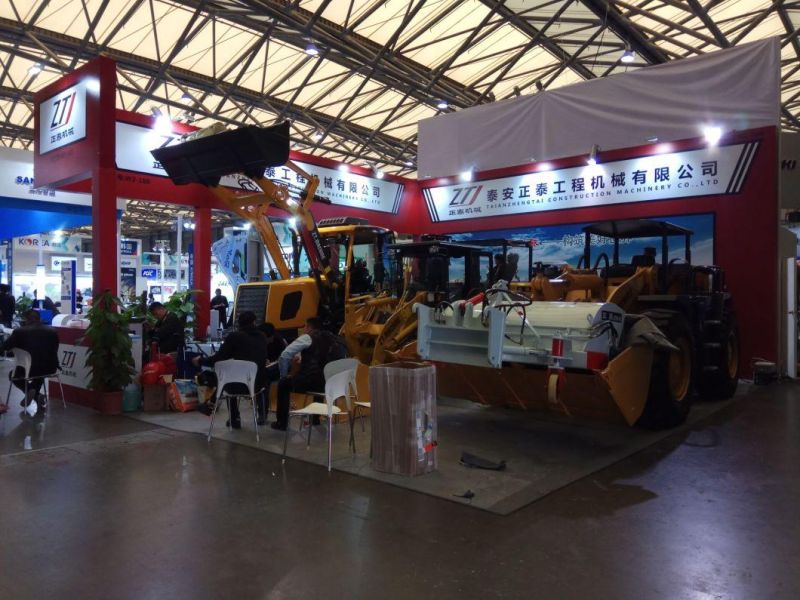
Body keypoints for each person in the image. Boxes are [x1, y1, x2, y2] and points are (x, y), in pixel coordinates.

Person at [191, 311, 269, 428]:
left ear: (238, 324)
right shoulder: (262, 336)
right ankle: (212, 404)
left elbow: (218, 358)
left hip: (238, 385)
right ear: (254, 322)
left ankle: (233, 418)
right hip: (258, 384)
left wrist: (200, 360)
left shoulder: (234, 337)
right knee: (229, 376)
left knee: (226, 379)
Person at [271, 317, 347, 431]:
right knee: (320, 377)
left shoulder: (308, 338)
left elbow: (285, 355)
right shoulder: (337, 339)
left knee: (283, 384)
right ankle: (315, 418)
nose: (304, 329)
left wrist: (284, 375)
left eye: (304, 326)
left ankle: (281, 423)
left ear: (309, 327)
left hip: (310, 381)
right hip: (333, 385)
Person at [0, 309, 60, 412]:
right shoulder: (53, 331)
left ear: (26, 320)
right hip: (51, 368)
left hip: (29, 368)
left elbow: (5, 347)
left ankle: (31, 392)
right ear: (39, 318)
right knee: (39, 374)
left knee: (13, 375)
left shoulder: (19, 332)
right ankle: (37, 396)